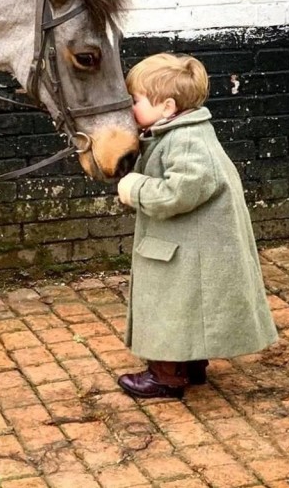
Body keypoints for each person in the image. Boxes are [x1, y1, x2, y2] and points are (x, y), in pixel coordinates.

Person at [116, 52, 278, 398]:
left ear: (167, 106)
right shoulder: (178, 131)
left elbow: (179, 193)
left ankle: (166, 376)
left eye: (136, 101)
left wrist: (134, 188)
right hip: (188, 243)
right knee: (189, 303)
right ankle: (190, 364)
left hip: (190, 249)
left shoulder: (187, 141)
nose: (130, 108)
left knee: (169, 303)